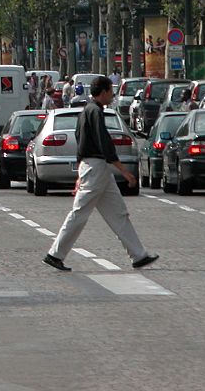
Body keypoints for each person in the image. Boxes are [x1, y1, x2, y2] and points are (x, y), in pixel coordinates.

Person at [43, 76, 157, 272]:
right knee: (80, 213)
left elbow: (80, 140)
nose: (112, 95)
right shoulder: (95, 112)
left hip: (96, 169)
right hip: (96, 168)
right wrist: (125, 172)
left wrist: (80, 171)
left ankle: (138, 255)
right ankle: (55, 254)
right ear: (103, 92)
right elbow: (104, 143)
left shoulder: (86, 111)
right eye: (111, 91)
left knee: (118, 213)